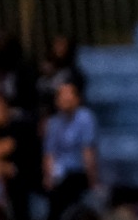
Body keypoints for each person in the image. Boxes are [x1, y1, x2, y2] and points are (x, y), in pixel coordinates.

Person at [43, 82, 98, 220]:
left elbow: (88, 151)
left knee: (66, 192)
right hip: (59, 175)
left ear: (77, 99)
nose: (65, 99)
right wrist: (48, 177)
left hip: (78, 172)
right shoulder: (53, 122)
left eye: (69, 95)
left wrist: (93, 180)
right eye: (62, 95)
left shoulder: (85, 118)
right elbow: (49, 154)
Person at [36, 36, 86, 119]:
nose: (58, 49)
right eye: (56, 45)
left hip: (67, 113)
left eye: (62, 45)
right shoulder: (43, 71)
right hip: (46, 114)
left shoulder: (73, 73)